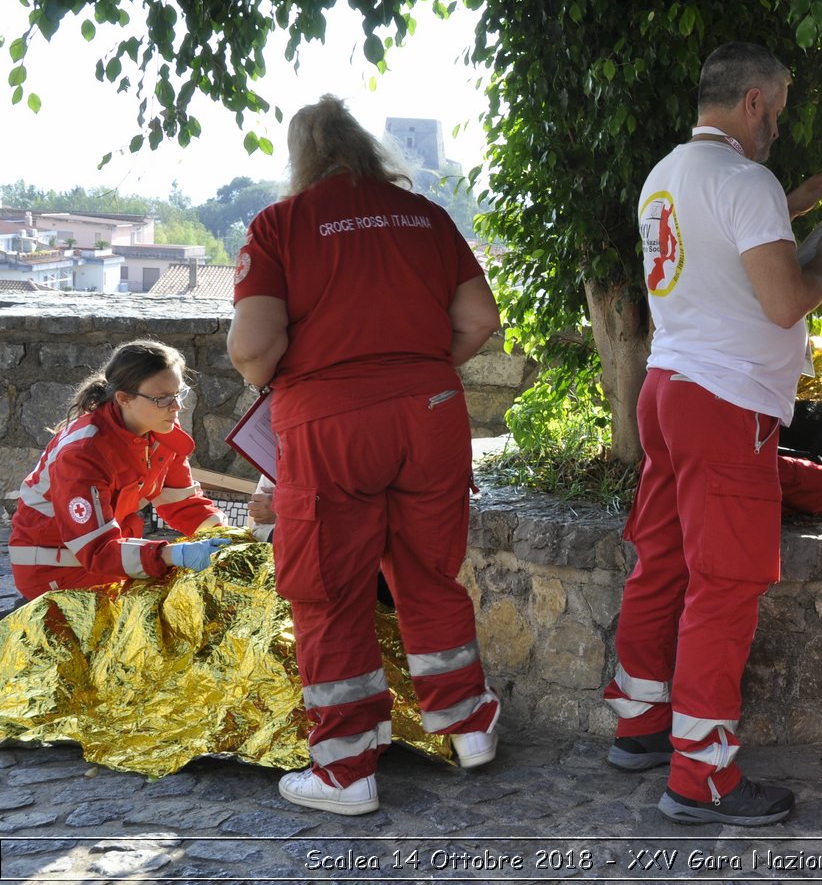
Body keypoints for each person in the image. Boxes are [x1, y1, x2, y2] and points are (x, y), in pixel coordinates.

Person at [601, 42, 822, 827]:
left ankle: (642, 722)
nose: (779, 122)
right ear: (753, 101)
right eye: (777, 109)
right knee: (727, 583)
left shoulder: (666, 175)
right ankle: (702, 773)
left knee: (664, 560)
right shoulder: (746, 182)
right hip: (726, 405)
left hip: (668, 388)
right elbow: (784, 301)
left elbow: (719, 254)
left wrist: (795, 204)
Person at [228, 95, 503, 816]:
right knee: (428, 571)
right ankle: (469, 726)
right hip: (432, 412)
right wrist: (412, 371)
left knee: (329, 588)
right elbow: (479, 320)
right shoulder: (429, 218)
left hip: (331, 425)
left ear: (302, 159)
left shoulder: (280, 226)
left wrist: (300, 371)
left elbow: (254, 349)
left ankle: (346, 770)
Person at [9, 341, 230, 600]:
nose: (177, 407)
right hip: (55, 574)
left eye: (179, 393)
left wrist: (224, 536)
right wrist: (174, 555)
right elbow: (97, 549)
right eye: (163, 398)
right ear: (124, 399)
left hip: (108, 557)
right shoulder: (83, 452)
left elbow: (183, 502)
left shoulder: (157, 423)